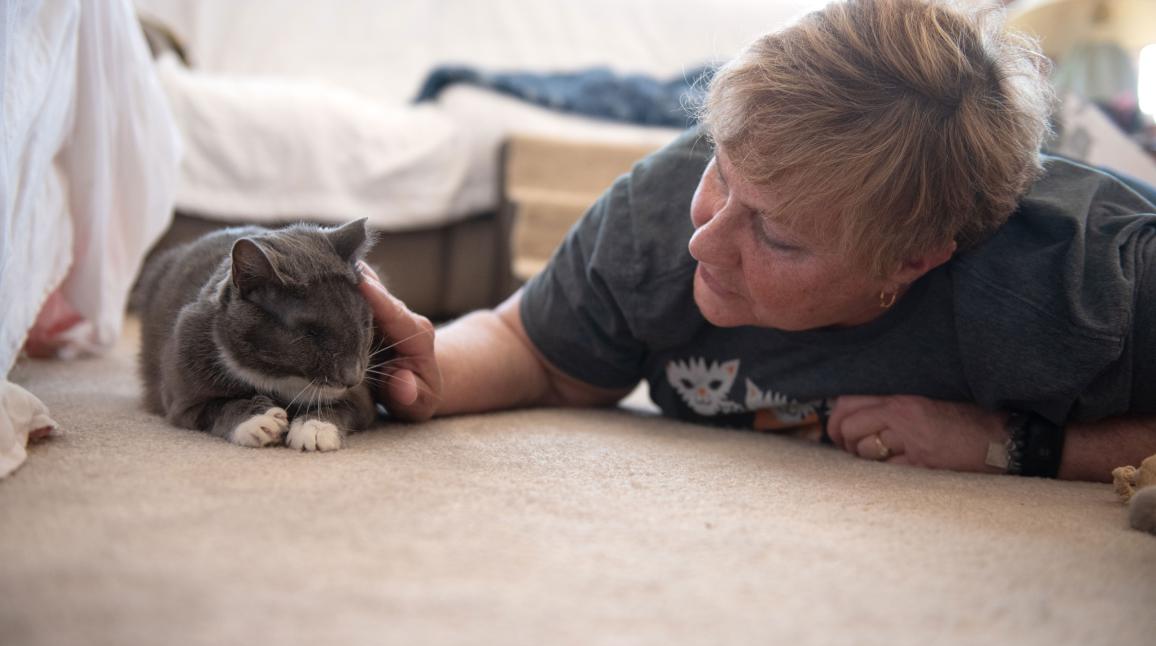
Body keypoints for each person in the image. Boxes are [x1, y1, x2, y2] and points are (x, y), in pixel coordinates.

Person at [357, 0, 1156, 482]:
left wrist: (1011, 447)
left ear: (910, 263)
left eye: (776, 235)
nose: (704, 242)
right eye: (724, 173)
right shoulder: (664, 207)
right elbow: (533, 349)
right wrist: (427, 368)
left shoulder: (1088, 286)